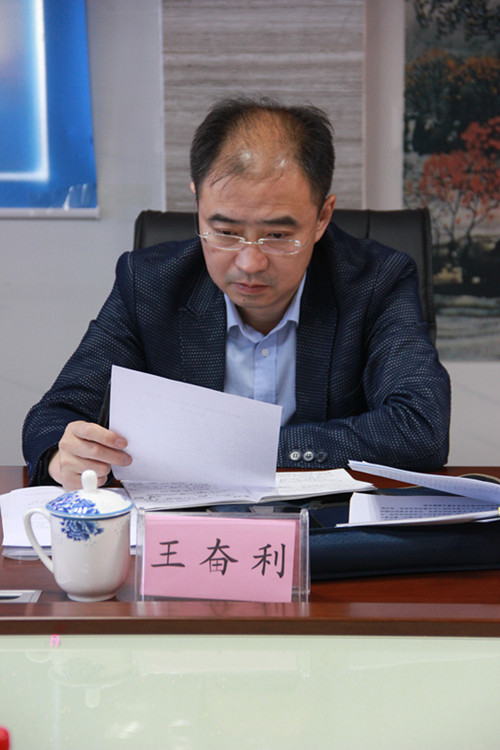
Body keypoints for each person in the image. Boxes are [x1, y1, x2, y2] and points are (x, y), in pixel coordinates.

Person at [23, 96, 451, 489]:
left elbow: (420, 428)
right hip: (188, 528)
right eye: (225, 232)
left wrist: (243, 450)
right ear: (198, 204)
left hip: (325, 529)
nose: (249, 262)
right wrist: (63, 454)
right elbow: (55, 417)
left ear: (322, 217)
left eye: (277, 235)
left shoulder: (376, 282)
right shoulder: (150, 283)